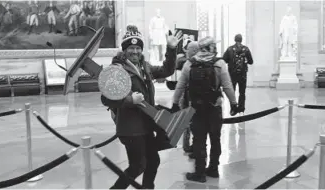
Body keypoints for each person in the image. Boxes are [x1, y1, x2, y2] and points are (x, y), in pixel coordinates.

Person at [101, 25, 182, 189]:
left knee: (153, 161)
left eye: (138, 48)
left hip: (146, 125)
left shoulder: (144, 67)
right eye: (131, 48)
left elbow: (167, 70)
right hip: (130, 127)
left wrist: (171, 49)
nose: (135, 51)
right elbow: (106, 99)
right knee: (137, 166)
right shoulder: (117, 70)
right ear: (124, 50)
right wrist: (131, 100)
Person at [171, 36, 238, 182]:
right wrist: (234, 103)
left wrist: (175, 103)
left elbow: (180, 86)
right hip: (215, 108)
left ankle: (200, 172)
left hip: (197, 109)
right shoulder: (219, 63)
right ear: (212, 47)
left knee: (199, 140)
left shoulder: (189, 64)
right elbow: (227, 86)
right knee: (215, 139)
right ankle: (213, 169)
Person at [223, 34, 253, 114]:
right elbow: (251, 62)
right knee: (242, 92)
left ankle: (233, 109)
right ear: (241, 40)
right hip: (243, 74)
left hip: (232, 74)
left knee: (232, 92)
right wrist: (245, 59)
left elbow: (224, 60)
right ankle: (241, 109)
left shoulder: (229, 49)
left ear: (234, 39)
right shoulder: (246, 49)